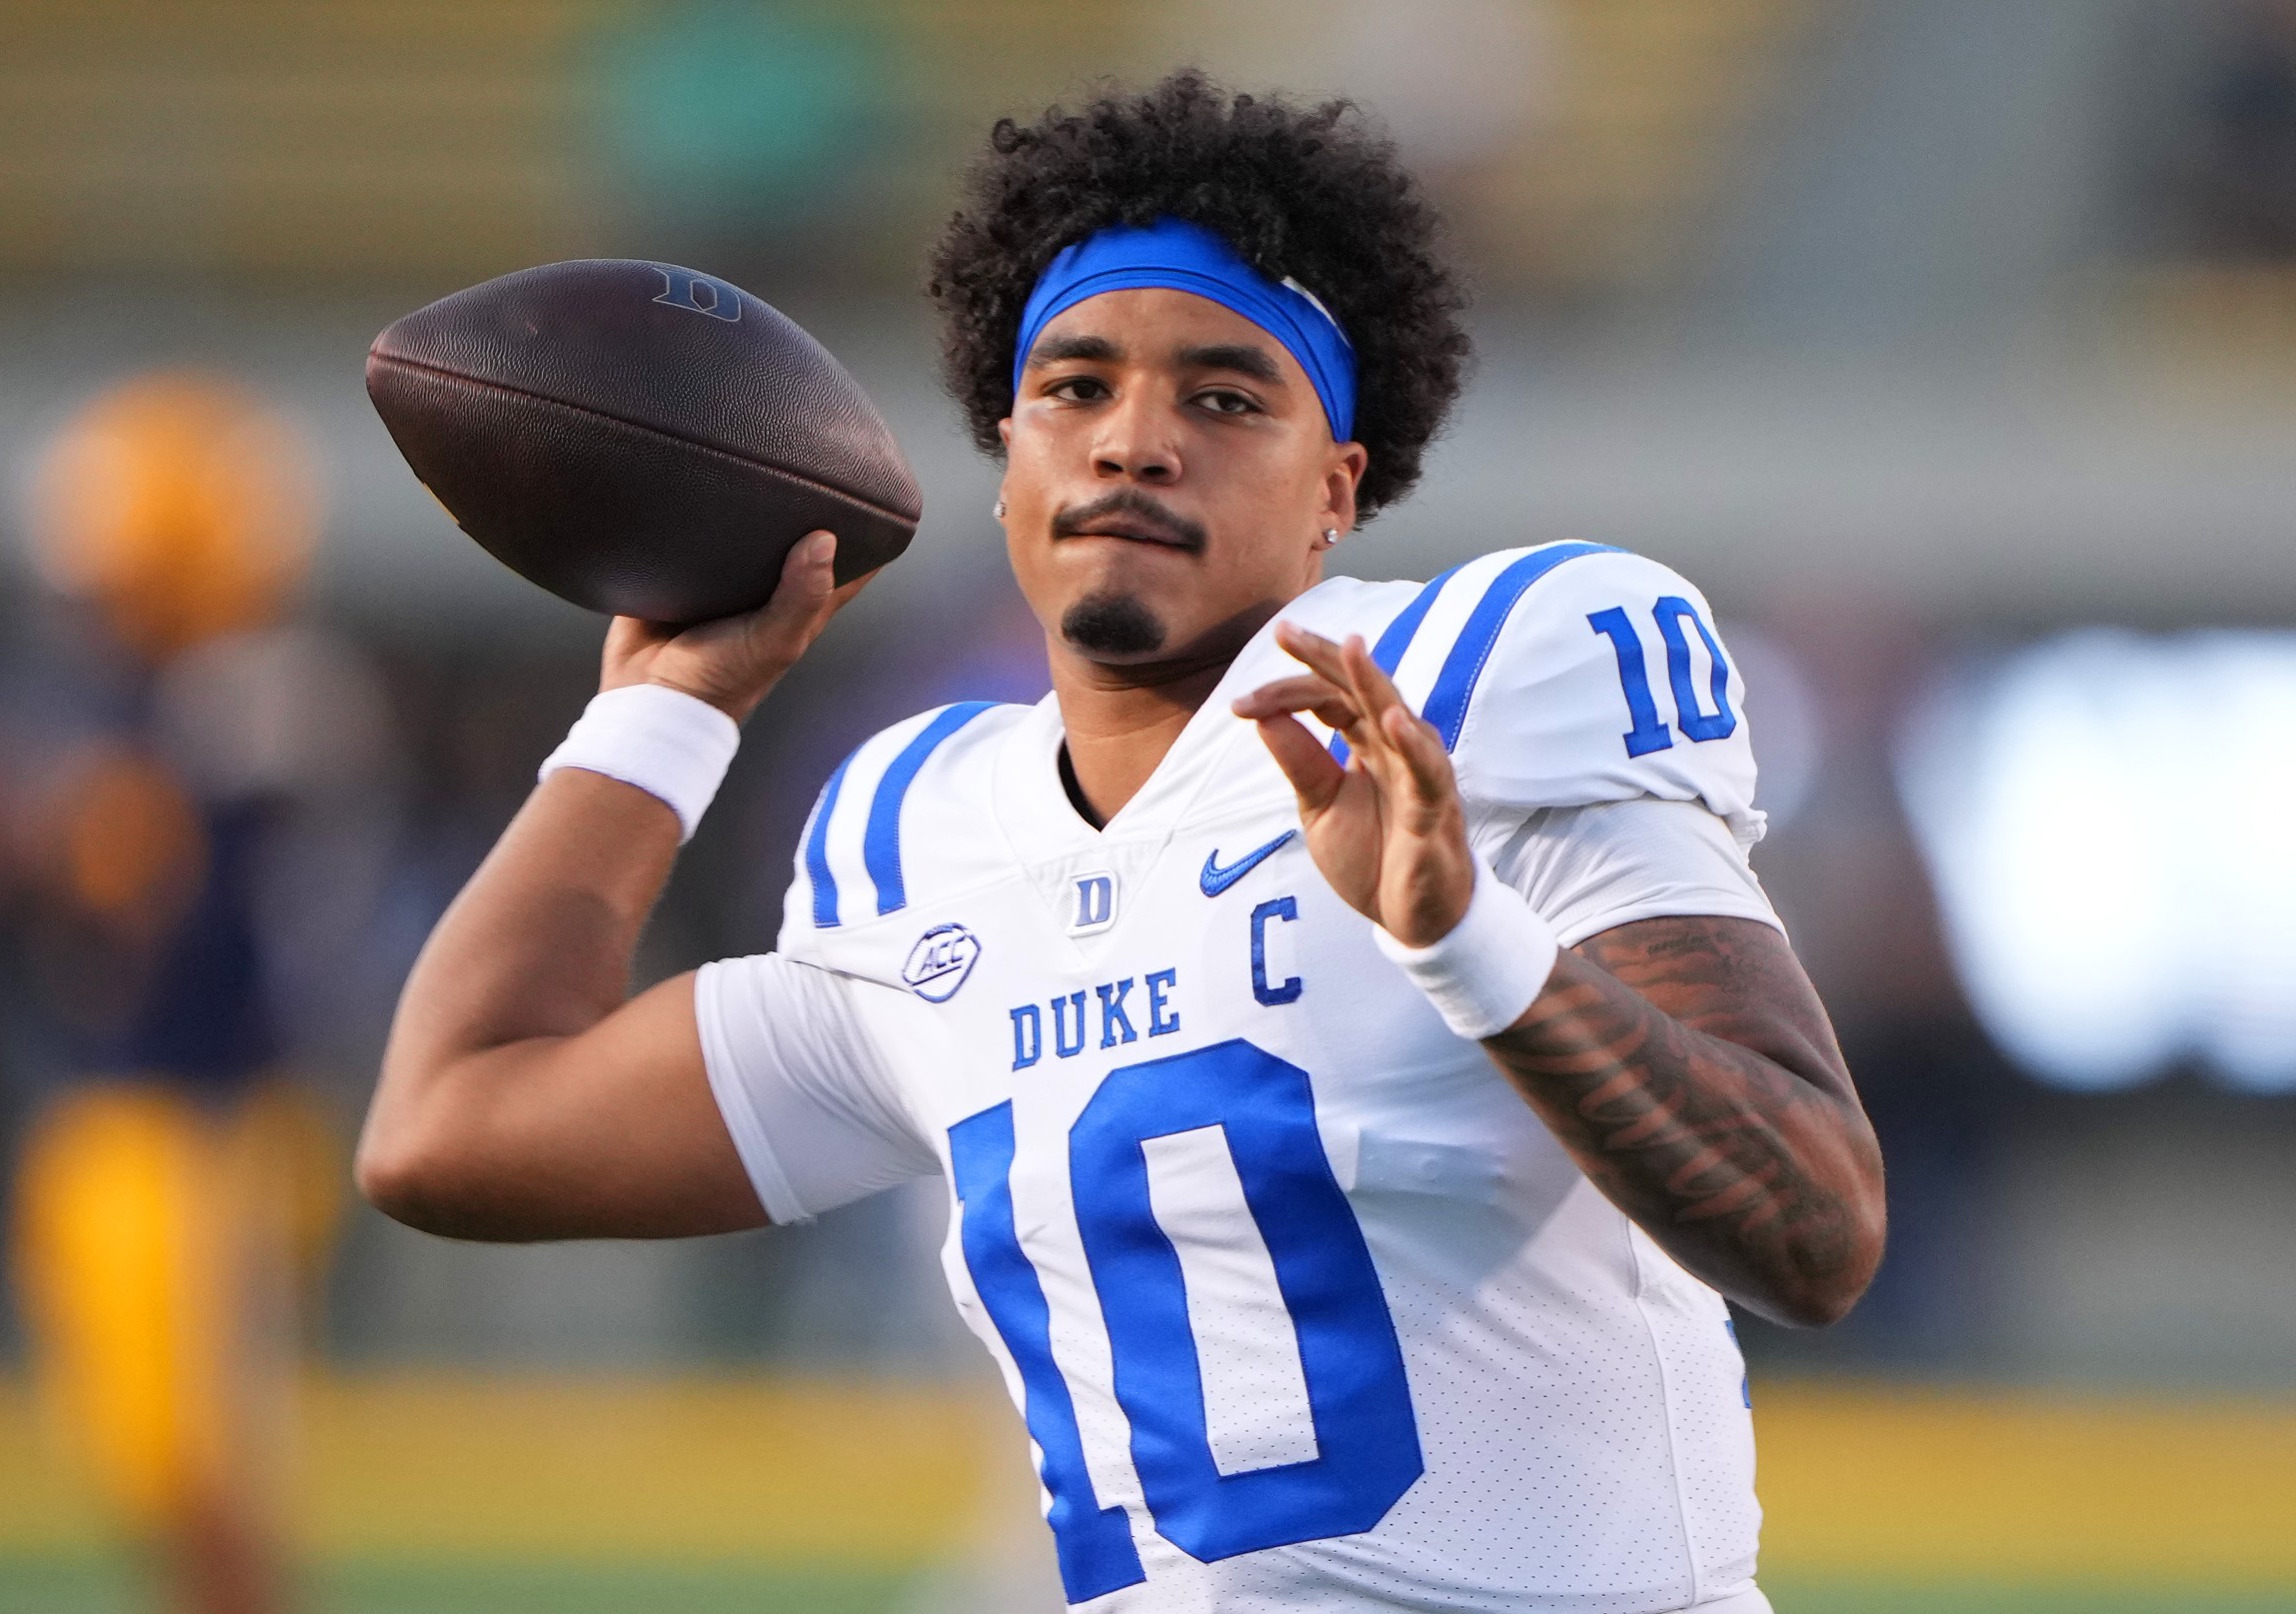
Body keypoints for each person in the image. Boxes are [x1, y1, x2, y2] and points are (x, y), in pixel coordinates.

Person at [358, 72, 1885, 1613]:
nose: (1136, 441)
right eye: (1075, 386)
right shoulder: (922, 837)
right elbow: (451, 1123)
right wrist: (663, 716)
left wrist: (1465, 936)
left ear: (1334, 491)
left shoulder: (1483, 687)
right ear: (1009, 455)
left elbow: (1816, 1226)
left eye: (1226, 396)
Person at [0, 374, 383, 1614]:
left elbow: (224, 915)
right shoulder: (103, 700)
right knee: (146, 1476)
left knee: (212, 1480)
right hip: (101, 1120)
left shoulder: (257, 702)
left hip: (215, 1129)